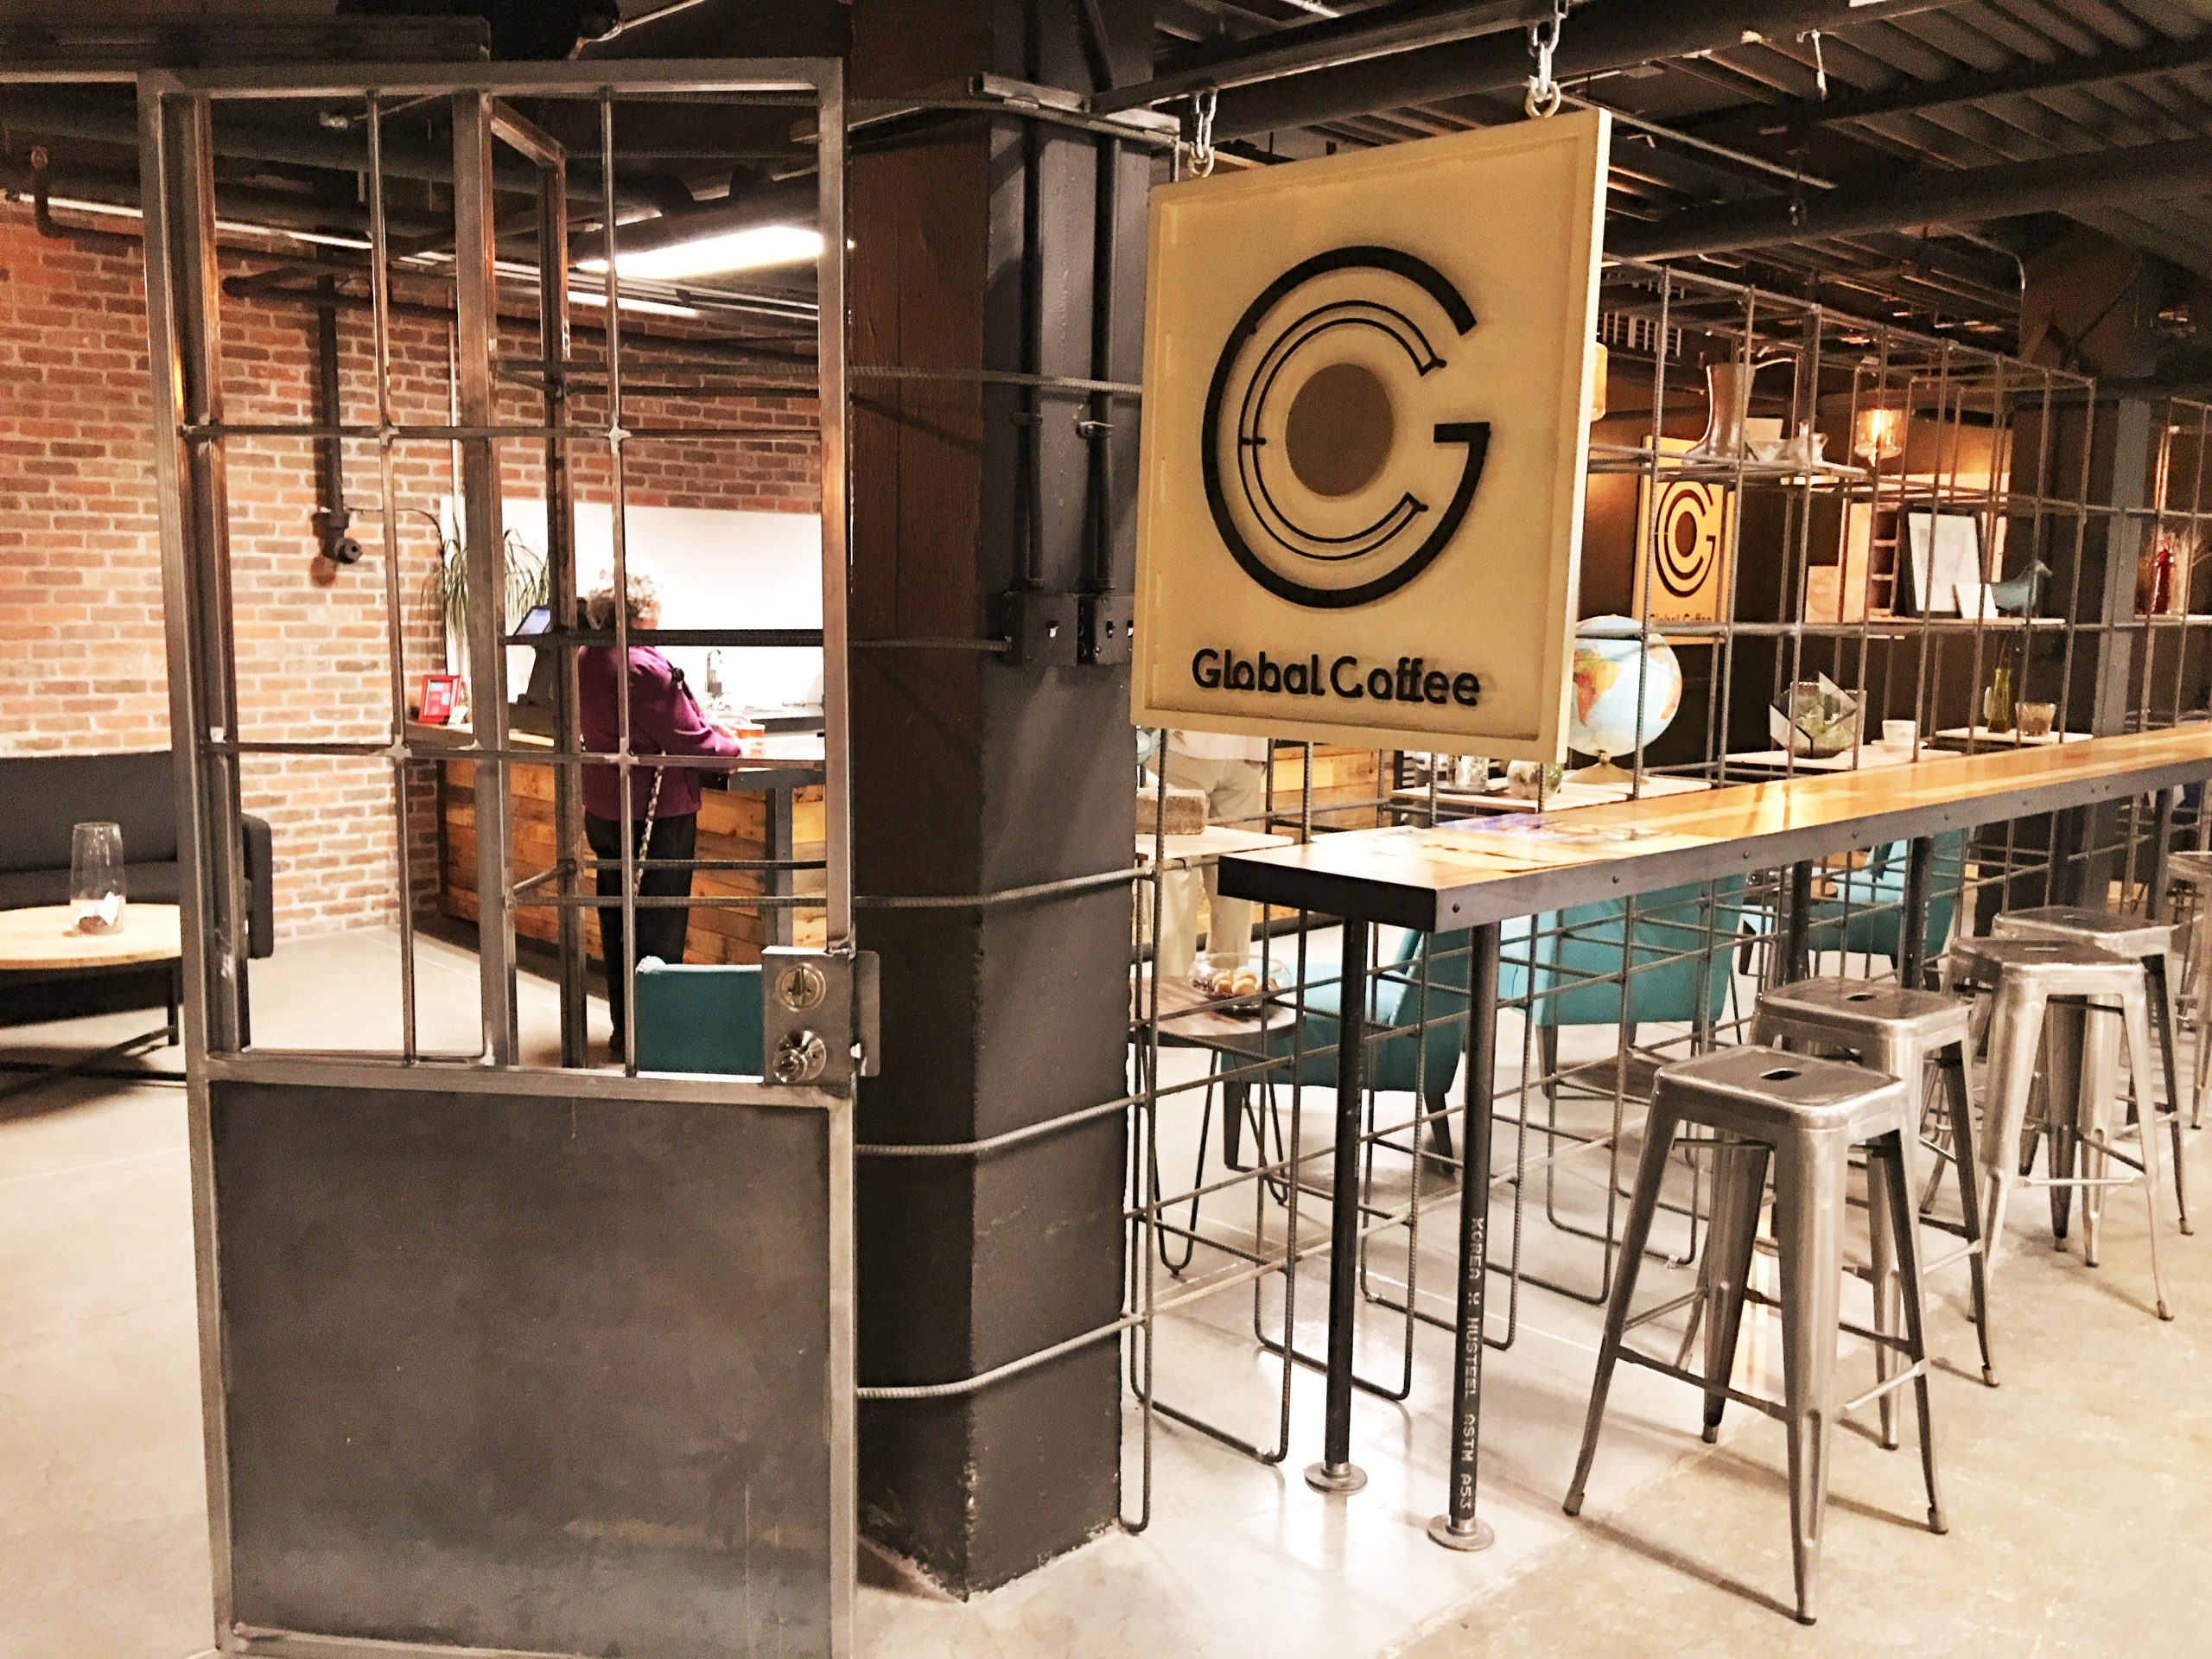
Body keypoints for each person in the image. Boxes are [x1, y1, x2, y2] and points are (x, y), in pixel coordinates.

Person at [577, 565, 744, 1055]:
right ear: (642, 612)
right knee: (659, 927)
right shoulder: (641, 667)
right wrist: (735, 749)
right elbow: (693, 741)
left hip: (606, 808)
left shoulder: (589, 656)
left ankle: (625, 1027)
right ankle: (657, 1036)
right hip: (654, 814)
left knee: (618, 921)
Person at [1149, 730, 1268, 985]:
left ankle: (1175, 996)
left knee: (1173, 886)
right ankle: (1228, 988)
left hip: (1181, 744)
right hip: (1247, 745)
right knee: (1234, 880)